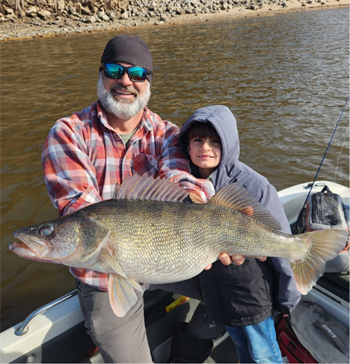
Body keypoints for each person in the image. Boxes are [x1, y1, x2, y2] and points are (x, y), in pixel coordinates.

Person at [41, 34, 245, 363]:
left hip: (175, 254)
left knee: (243, 288)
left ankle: (188, 350)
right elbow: (81, 211)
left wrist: (201, 211)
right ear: (100, 75)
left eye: (137, 74)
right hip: (105, 275)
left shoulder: (166, 133)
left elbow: (179, 180)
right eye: (114, 70)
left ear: (148, 82)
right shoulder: (68, 133)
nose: (125, 81)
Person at [178, 105, 301, 364]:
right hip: (218, 296)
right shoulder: (181, 184)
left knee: (265, 355)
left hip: (252, 297)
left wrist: (287, 300)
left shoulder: (254, 185)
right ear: (187, 145)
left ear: (229, 145)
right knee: (241, 349)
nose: (205, 148)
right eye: (198, 139)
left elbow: (280, 244)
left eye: (215, 141)